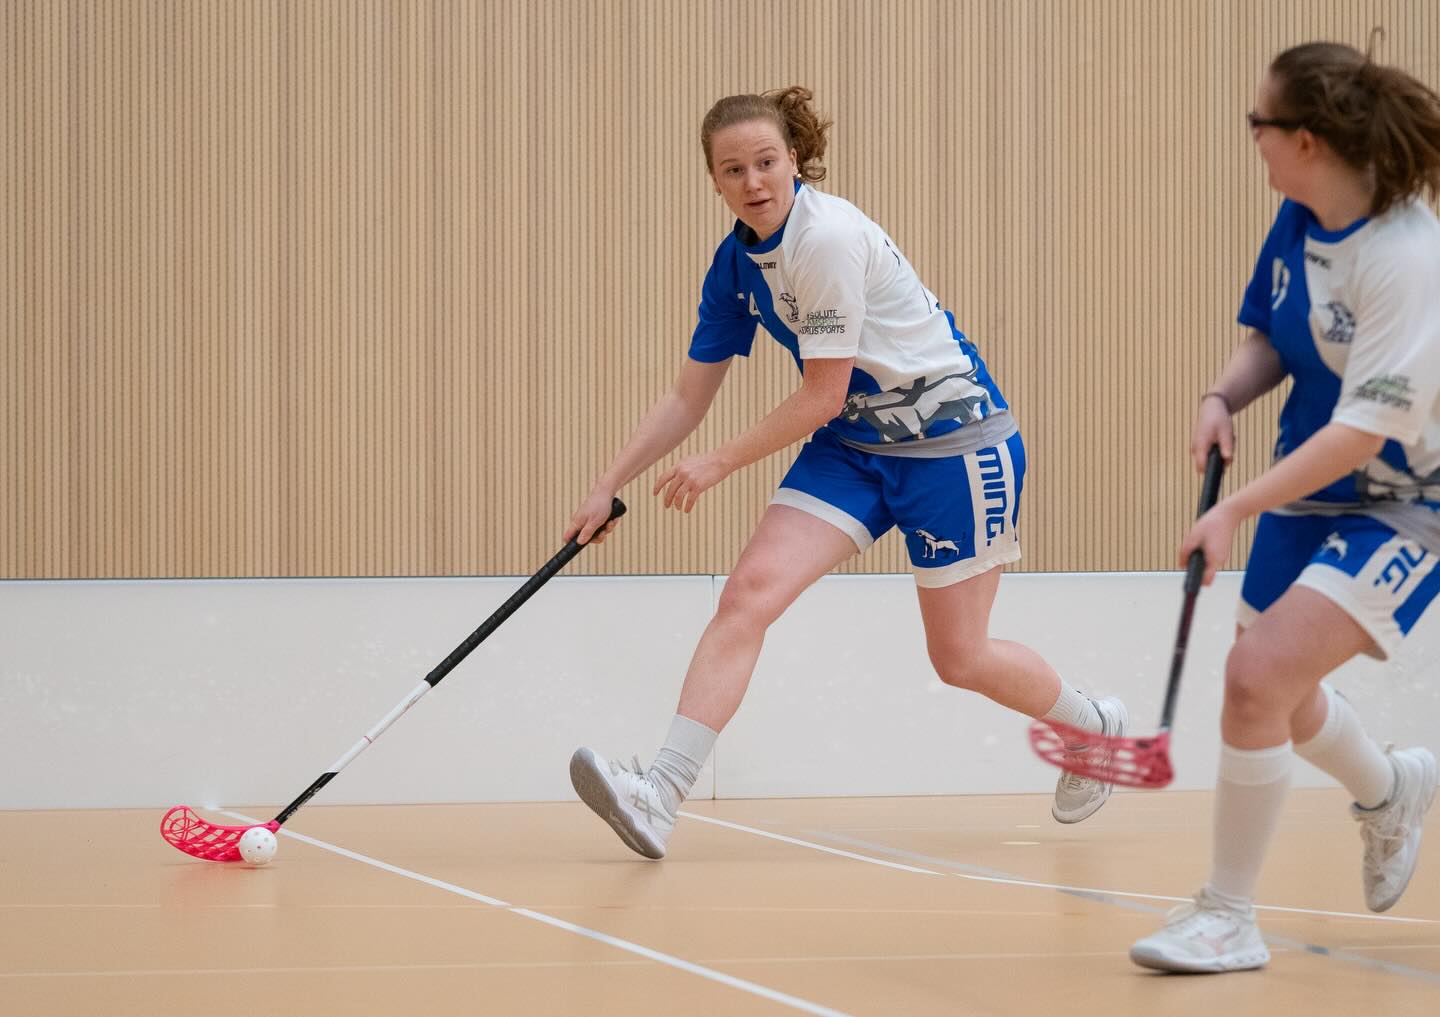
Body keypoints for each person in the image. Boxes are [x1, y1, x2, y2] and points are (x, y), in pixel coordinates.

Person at [563, 86, 1126, 861]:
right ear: (715, 182)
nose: (754, 180)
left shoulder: (824, 239)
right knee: (747, 595)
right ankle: (659, 792)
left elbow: (821, 393)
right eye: (734, 169)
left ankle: (1090, 726)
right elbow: (688, 396)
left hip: (953, 446)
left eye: (766, 162)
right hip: (856, 445)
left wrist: (721, 462)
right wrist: (607, 484)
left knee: (959, 657)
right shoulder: (736, 265)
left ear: (793, 159)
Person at [1130, 37, 1440, 973]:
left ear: (1304, 138)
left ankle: (1228, 915)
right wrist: (1223, 395)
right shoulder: (1304, 217)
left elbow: (1362, 433)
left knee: (1256, 678)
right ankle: (1391, 789)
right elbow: (1271, 334)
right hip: (1311, 489)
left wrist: (1233, 510)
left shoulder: (1407, 257)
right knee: (1278, 692)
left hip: (1404, 500)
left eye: (1257, 125)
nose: (1252, 140)